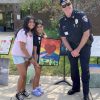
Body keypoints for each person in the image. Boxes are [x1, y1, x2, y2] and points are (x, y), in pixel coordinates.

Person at [59, 0, 93, 100]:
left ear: (72, 4)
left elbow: (86, 34)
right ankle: (76, 88)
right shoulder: (62, 21)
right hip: (72, 48)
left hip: (84, 46)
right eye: (64, 5)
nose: (67, 6)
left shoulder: (81, 15)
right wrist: (71, 50)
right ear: (62, 8)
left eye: (69, 4)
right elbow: (63, 38)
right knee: (74, 69)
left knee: (84, 69)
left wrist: (77, 50)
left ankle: (86, 93)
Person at [11, 16, 40, 100]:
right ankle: (17, 93)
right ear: (26, 23)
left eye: (33, 22)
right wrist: (31, 58)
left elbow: (29, 46)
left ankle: (23, 91)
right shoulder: (23, 32)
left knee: (25, 75)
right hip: (18, 55)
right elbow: (22, 47)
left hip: (26, 56)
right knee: (23, 75)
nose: (32, 23)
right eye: (30, 22)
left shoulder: (31, 32)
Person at [31, 19, 47, 96]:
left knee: (39, 73)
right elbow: (34, 50)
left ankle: (37, 87)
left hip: (42, 57)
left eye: (41, 26)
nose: (39, 28)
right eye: (37, 27)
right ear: (35, 28)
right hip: (36, 57)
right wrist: (35, 61)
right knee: (37, 74)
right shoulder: (34, 36)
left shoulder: (43, 35)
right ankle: (34, 89)